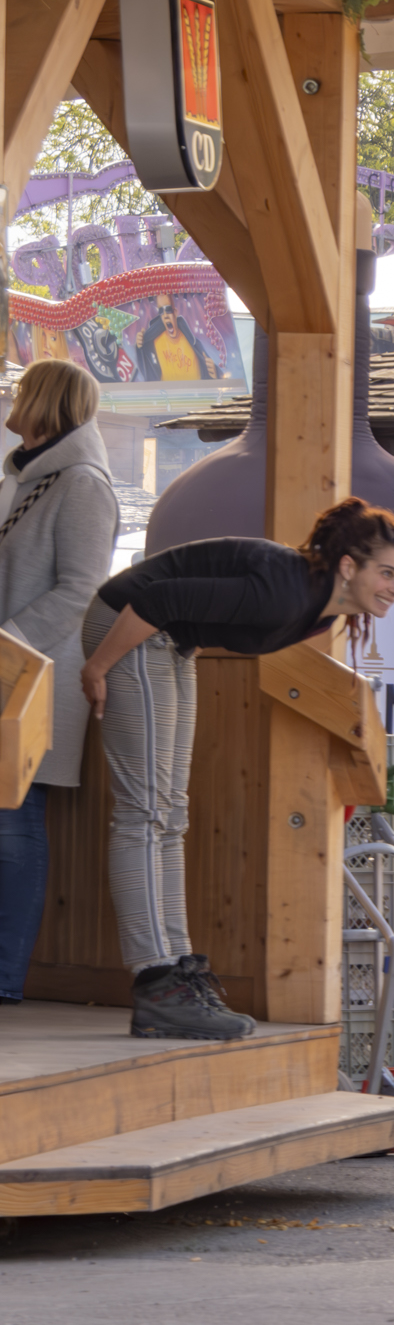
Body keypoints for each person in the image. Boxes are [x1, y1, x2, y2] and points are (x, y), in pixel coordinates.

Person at [81, 498, 394, 1040]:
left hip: (171, 641)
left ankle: (176, 969)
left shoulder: (321, 608)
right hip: (132, 627)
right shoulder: (287, 591)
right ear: (348, 566)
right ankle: (156, 979)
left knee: (171, 813)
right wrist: (98, 665)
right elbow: (155, 598)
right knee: (144, 812)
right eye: (387, 573)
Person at [0, 360, 119, 1003]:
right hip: (10, 671)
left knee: (13, 824)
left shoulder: (82, 484)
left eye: (21, 390)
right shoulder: (24, 479)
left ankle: (4, 981)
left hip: (34, 678)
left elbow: (82, 590)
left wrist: (7, 643)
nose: (12, 399)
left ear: (46, 401)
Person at [135, 294, 221, 382]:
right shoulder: (151, 341)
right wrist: (140, 347)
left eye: (168, 310)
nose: (165, 315)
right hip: (165, 391)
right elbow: (146, 373)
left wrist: (215, 375)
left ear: (175, 312)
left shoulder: (193, 342)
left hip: (195, 390)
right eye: (161, 311)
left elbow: (214, 376)